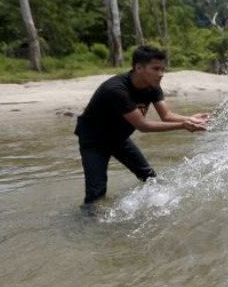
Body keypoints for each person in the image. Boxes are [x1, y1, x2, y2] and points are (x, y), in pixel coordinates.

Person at [75, 45, 209, 209]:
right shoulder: (116, 89)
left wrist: (190, 118)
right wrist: (183, 125)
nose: (161, 74)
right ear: (138, 67)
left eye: (163, 69)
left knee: (150, 178)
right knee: (96, 192)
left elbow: (166, 115)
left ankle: (159, 208)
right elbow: (143, 126)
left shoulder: (152, 87)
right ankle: (87, 226)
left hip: (119, 137)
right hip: (94, 140)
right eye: (156, 69)